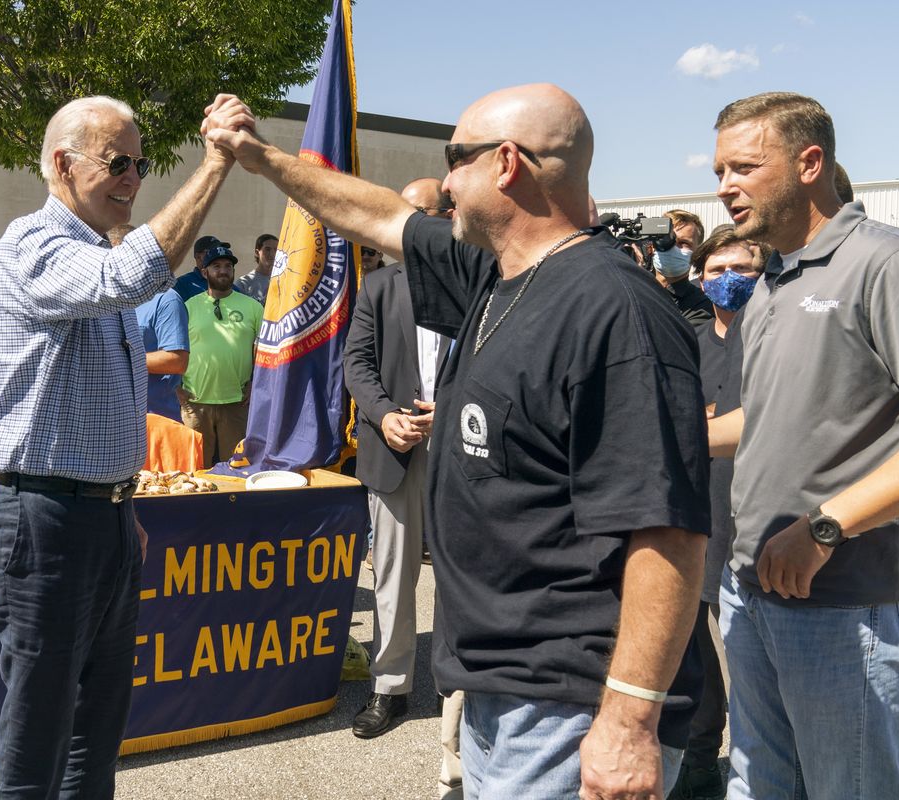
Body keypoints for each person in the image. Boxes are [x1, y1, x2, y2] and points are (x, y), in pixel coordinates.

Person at [207, 84, 709, 800]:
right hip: (502, 689)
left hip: (573, 704)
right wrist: (259, 157)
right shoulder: (496, 273)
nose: (444, 181)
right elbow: (378, 214)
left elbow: (668, 534)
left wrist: (628, 721)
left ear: (507, 163)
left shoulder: (616, 312)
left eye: (455, 158)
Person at [0, 93, 253, 800]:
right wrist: (216, 160)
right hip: (42, 521)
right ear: (63, 166)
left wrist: (117, 504)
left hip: (97, 518)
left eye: (141, 162)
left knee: (95, 735)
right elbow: (129, 275)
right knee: (37, 741)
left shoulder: (93, 255)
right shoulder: (32, 246)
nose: (134, 177)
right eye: (118, 162)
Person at [708, 91, 899, 800]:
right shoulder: (772, 282)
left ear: (809, 161)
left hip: (843, 604)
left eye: (744, 167)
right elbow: (764, 417)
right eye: (720, 169)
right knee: (757, 786)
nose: (725, 186)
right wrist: (672, 435)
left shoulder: (880, 264)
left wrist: (826, 527)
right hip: (750, 593)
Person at [343, 177, 450, 740]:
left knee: (465, 575)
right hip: (395, 450)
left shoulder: (474, 282)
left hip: (462, 449)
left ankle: (462, 688)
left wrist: (451, 408)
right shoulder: (379, 287)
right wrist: (386, 416)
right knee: (392, 576)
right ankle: (390, 687)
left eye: (416, 213)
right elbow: (356, 364)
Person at [668, 228, 767, 800]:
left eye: (744, 268)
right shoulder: (687, 338)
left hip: (755, 521)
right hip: (697, 516)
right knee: (694, 660)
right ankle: (702, 760)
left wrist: (706, 420)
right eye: (716, 270)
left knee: (751, 670)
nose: (731, 279)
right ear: (700, 279)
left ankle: (761, 770)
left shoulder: (777, 334)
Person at [179, 244, 263, 466]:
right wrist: (175, 386)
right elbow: (175, 348)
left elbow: (265, 352)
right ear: (205, 272)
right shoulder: (188, 306)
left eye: (228, 266)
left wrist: (256, 383)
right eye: (216, 266)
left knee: (236, 468)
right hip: (196, 403)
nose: (223, 270)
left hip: (237, 403)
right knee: (196, 469)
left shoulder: (253, 307)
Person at [113, 224, 192, 423]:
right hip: (108, 422)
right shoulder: (101, 300)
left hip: (153, 422)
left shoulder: (165, 299)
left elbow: (177, 360)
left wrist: (121, 360)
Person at [234, 232, 277, 303]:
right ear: (257, 252)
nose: (272, 254)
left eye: (276, 250)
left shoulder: (285, 281)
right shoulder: (243, 283)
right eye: (267, 249)